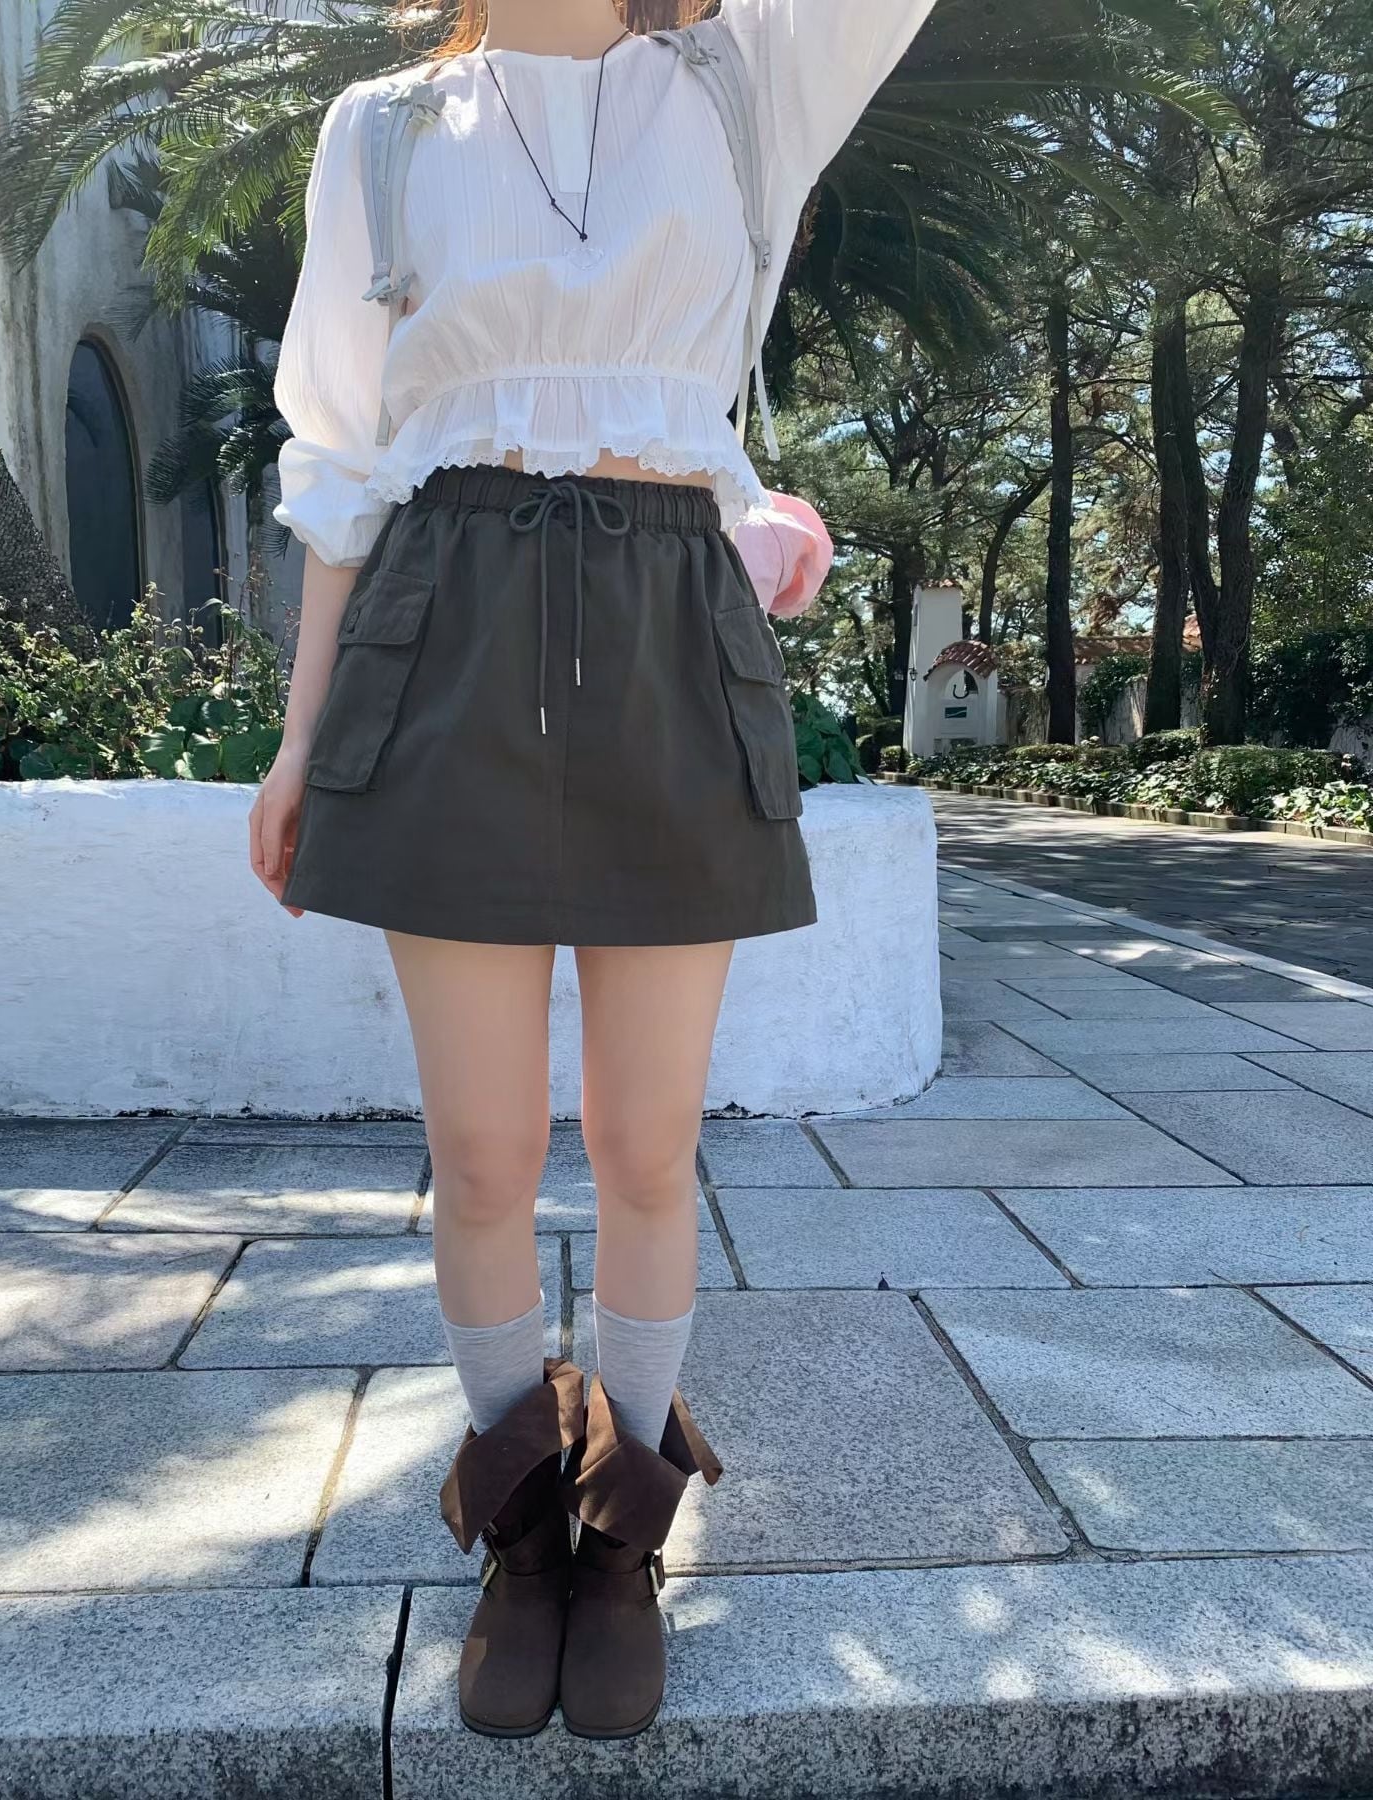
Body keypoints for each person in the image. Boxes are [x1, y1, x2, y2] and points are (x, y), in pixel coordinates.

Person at [251, 0, 936, 1743]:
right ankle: (523, 1532)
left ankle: (621, 1536)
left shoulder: (745, 80)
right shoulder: (382, 130)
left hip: (669, 626)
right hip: (444, 626)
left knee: (645, 1144)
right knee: (482, 1152)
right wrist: (300, 739)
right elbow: (340, 457)